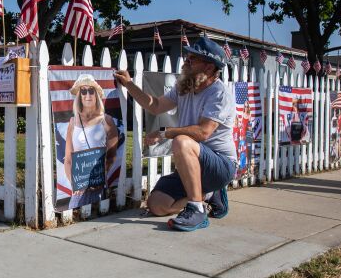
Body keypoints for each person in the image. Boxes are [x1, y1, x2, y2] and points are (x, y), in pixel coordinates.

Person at [114, 36, 237, 231]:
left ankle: (196, 210)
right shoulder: (185, 87)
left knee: (181, 141)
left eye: (192, 59)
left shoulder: (219, 94)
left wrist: (165, 132)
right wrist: (129, 84)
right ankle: (206, 195)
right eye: (187, 57)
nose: (186, 62)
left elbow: (203, 132)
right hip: (193, 166)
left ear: (208, 67)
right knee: (156, 204)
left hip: (220, 165)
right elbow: (155, 106)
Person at [63, 74, 120, 209]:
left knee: (97, 214)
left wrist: (101, 177)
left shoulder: (107, 121)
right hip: (79, 187)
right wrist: (74, 183)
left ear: (96, 95)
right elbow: (68, 160)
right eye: (83, 91)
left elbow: (111, 156)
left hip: (98, 184)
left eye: (91, 91)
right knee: (75, 212)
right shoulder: (72, 122)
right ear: (79, 96)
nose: (87, 95)